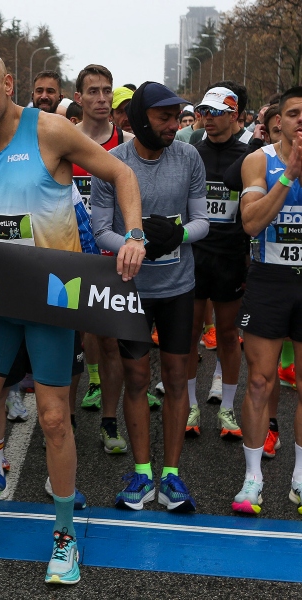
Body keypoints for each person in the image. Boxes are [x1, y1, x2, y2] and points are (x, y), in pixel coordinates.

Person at [0, 51, 144, 586]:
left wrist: (135, 235)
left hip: (52, 294)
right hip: (1, 292)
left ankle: (65, 535)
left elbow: (120, 172)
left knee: (52, 417)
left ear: (7, 83)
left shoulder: (50, 130)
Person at [93, 81, 209, 516]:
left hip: (179, 286)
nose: (173, 124)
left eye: (177, 116)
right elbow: (99, 226)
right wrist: (133, 241)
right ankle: (142, 472)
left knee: (178, 378)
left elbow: (203, 222)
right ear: (140, 118)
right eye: (163, 117)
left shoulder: (189, 156)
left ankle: (171, 475)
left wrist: (177, 234)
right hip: (132, 288)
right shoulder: (113, 162)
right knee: (137, 378)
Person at [232, 86, 302, 515]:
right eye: (295, 113)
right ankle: (252, 479)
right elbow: (251, 224)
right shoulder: (260, 160)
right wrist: (290, 175)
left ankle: (300, 478)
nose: (301, 121)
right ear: (279, 120)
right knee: (260, 381)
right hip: (270, 280)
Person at [72, 64, 133, 453]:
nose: (100, 98)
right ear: (78, 98)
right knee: (68, 345)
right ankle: (65, 422)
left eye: (105, 91)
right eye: (92, 91)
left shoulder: (124, 143)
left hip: (112, 259)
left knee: (111, 345)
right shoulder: (62, 140)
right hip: (70, 258)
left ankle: (110, 423)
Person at [185, 86, 249, 440]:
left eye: (214, 112)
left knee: (227, 334)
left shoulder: (250, 153)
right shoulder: (194, 151)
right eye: (203, 112)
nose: (206, 118)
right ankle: (191, 404)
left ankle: (227, 408)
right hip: (196, 254)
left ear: (233, 114)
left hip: (230, 256)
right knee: (191, 332)